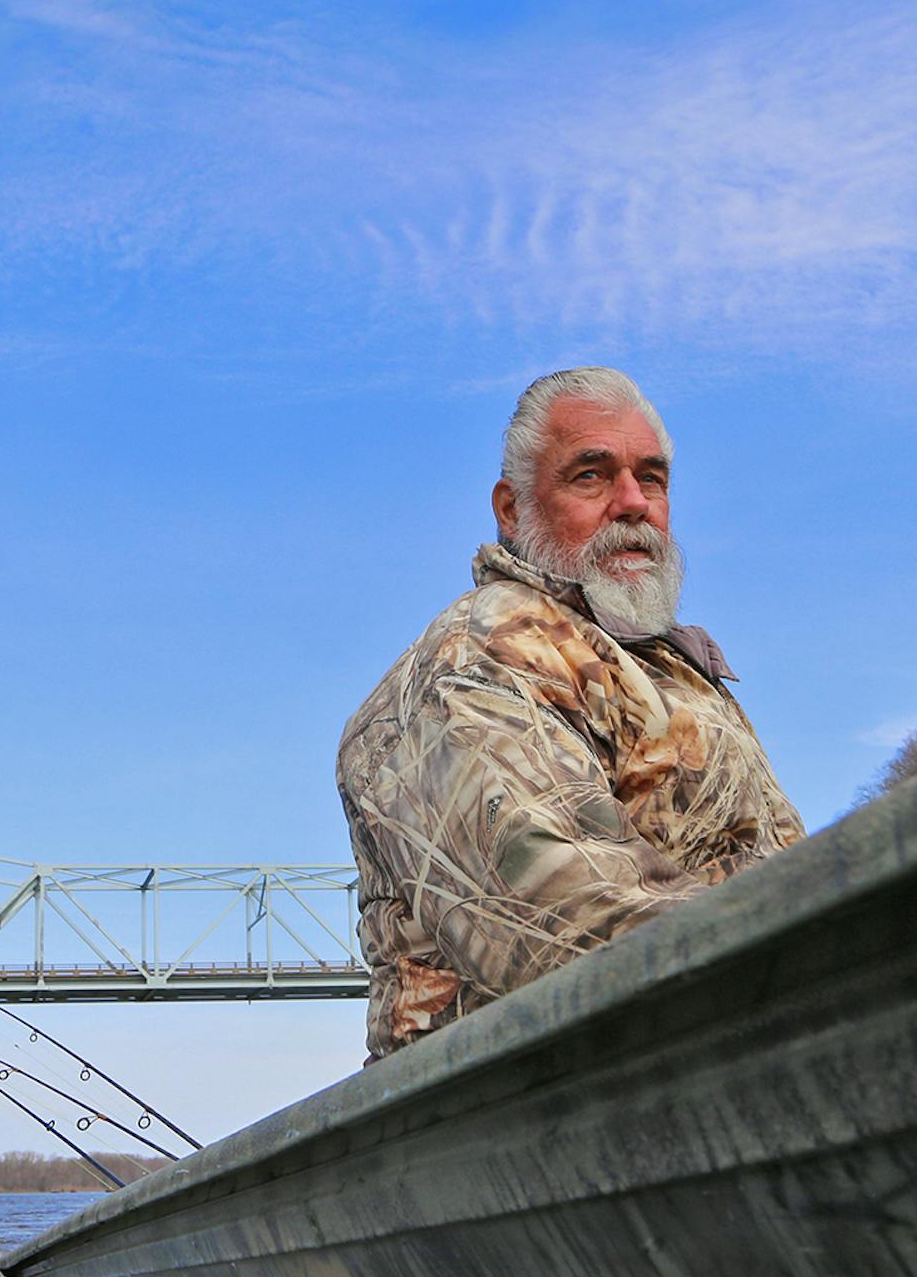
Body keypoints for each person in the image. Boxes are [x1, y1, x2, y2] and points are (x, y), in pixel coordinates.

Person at [337, 367, 804, 1061]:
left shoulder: (656, 661)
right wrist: (830, 952)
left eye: (652, 478)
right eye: (591, 475)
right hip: (534, 1106)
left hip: (720, 1052)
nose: (632, 502)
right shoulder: (479, 655)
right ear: (511, 509)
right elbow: (561, 926)